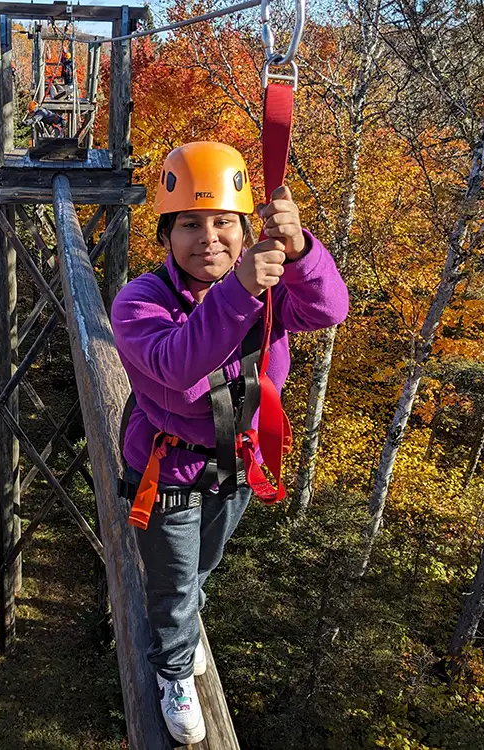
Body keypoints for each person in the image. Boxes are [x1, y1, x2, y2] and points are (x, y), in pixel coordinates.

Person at [110, 141, 349, 744]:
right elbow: (179, 364)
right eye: (189, 223)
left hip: (237, 464)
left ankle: (186, 623)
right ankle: (173, 672)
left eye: (223, 223)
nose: (208, 238)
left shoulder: (268, 296)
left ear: (246, 232)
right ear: (166, 234)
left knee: (203, 566)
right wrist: (238, 292)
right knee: (171, 580)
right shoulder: (140, 301)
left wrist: (300, 252)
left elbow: (328, 309)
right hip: (165, 474)